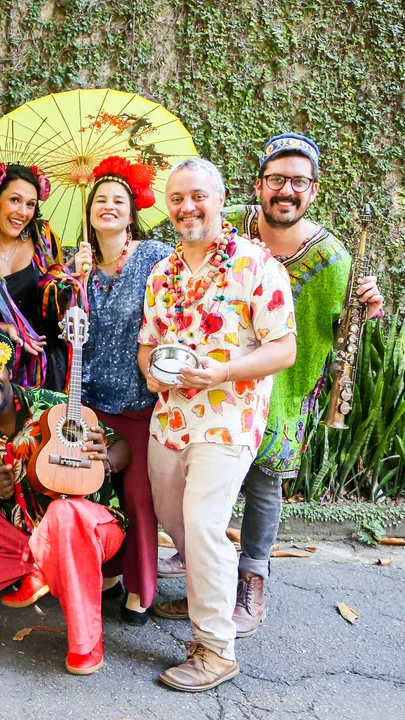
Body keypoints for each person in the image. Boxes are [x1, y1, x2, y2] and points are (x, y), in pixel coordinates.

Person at [156, 134, 384, 637]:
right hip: (208, 379)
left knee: (265, 479)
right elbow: (179, 244)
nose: (286, 190)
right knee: (188, 483)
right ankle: (202, 570)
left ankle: (251, 577)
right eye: (277, 179)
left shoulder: (332, 261)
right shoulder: (228, 219)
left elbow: (335, 337)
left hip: (281, 385)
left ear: (314, 190)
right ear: (258, 185)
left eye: (299, 182)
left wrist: (367, 308)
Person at [138, 158, 297, 692]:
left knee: (204, 524)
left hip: (229, 418)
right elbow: (146, 344)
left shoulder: (255, 263)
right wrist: (152, 376)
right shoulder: (163, 271)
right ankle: (214, 586)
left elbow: (285, 347)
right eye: (177, 197)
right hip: (172, 416)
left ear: (220, 198)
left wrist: (223, 371)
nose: (187, 207)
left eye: (198, 196)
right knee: (172, 516)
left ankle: (215, 649)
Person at [0, 322, 129, 674]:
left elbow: (121, 445)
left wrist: (108, 457)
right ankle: (42, 565)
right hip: (25, 530)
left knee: (64, 512)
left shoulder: (52, 404)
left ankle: (85, 641)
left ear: (8, 366)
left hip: (90, 525)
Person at [69, 157, 173, 625]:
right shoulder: (76, 266)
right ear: (89, 213)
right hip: (89, 400)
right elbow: (67, 331)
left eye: (118, 201)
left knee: (136, 495)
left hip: (137, 400)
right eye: (100, 201)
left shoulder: (153, 257)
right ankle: (105, 573)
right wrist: (74, 281)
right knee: (94, 491)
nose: (108, 207)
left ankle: (141, 588)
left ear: (131, 213)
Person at [0, 160, 80, 391]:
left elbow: (56, 302)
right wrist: (3, 329)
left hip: (50, 366)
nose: (23, 212)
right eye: (15, 200)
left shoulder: (44, 238)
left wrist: (69, 282)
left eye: (30, 204)